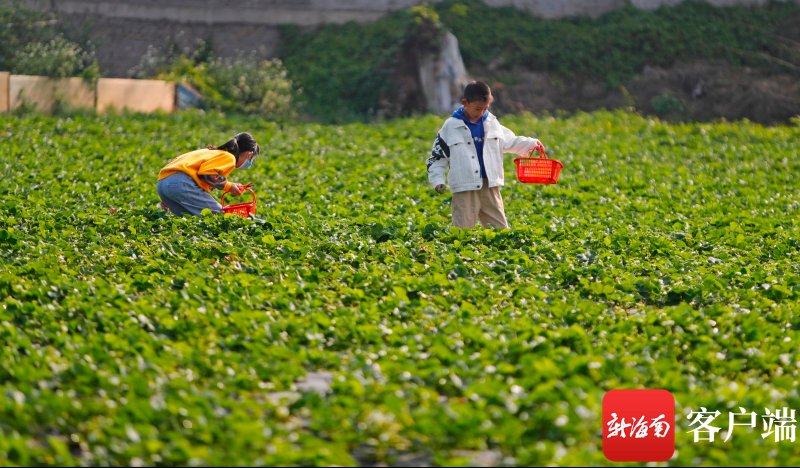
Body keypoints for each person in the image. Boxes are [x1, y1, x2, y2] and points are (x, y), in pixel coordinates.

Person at [426, 81, 545, 229]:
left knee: (500, 230)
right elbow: (437, 157)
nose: (481, 112)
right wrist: (438, 180)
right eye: (477, 108)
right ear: (465, 103)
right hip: (464, 186)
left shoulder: (492, 122)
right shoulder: (451, 126)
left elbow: (510, 141)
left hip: (490, 184)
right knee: (462, 230)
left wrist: (531, 144)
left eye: (485, 108)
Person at [157, 132, 260, 216]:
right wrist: (229, 187)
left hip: (162, 184)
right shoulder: (229, 157)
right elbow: (208, 174)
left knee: (190, 218)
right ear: (248, 153)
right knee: (220, 216)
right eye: (251, 159)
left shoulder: (211, 152)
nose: (249, 163)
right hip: (180, 184)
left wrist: (231, 185)